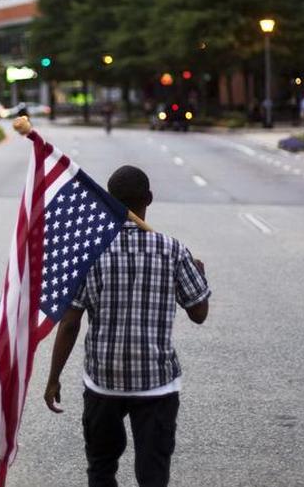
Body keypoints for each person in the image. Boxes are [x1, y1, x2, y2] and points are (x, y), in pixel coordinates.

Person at [45, 165, 211, 487]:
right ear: (149, 198)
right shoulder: (173, 250)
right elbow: (199, 313)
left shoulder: (91, 253)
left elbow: (69, 323)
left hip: (103, 382)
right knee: (153, 474)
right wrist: (199, 273)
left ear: (109, 200)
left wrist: (53, 378)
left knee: (101, 468)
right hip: (157, 383)